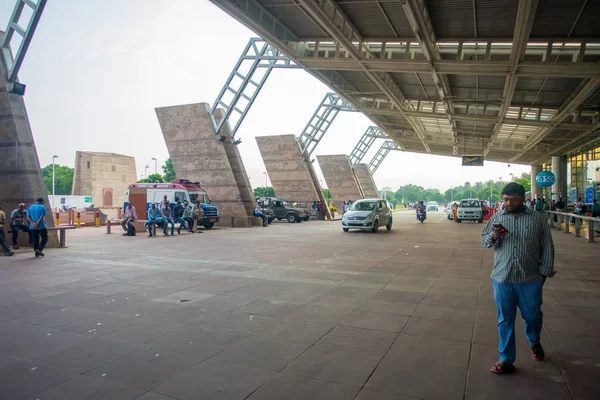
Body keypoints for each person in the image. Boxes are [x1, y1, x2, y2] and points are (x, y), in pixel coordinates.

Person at [481, 182, 554, 375]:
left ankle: (534, 341)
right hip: (502, 278)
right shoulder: (497, 217)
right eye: (505, 200)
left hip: (530, 278)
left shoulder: (538, 219)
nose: (509, 203)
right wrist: (494, 236)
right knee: (505, 319)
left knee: (532, 316)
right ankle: (506, 358)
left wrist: (543, 274)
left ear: (523, 198)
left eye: (513, 199)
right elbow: (484, 241)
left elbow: (547, 247)